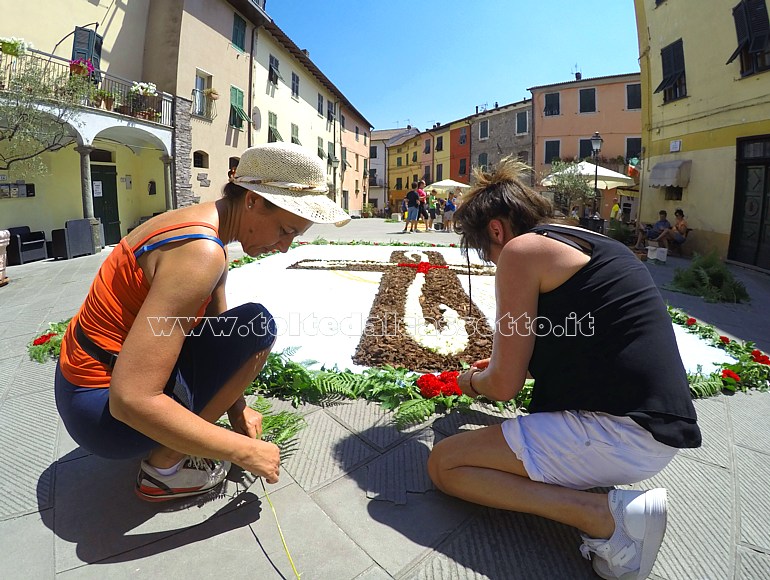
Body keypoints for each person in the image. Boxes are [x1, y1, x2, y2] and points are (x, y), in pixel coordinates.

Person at [427, 157, 700, 580]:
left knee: (445, 465)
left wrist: (470, 382)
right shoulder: (583, 240)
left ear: (497, 230)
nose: (493, 261)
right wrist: (517, 367)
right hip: (655, 422)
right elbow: (591, 341)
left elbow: (502, 387)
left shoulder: (521, 250)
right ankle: (599, 496)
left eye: (485, 251)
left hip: (622, 435)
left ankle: (607, 519)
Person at [54, 142, 350, 502]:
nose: (285, 246)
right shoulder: (201, 253)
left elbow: (219, 329)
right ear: (253, 201)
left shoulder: (203, 229)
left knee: (249, 326)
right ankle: (163, 470)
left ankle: (173, 444)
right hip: (101, 413)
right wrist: (241, 451)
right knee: (259, 325)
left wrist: (238, 407)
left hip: (78, 379)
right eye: (285, 230)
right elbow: (129, 400)